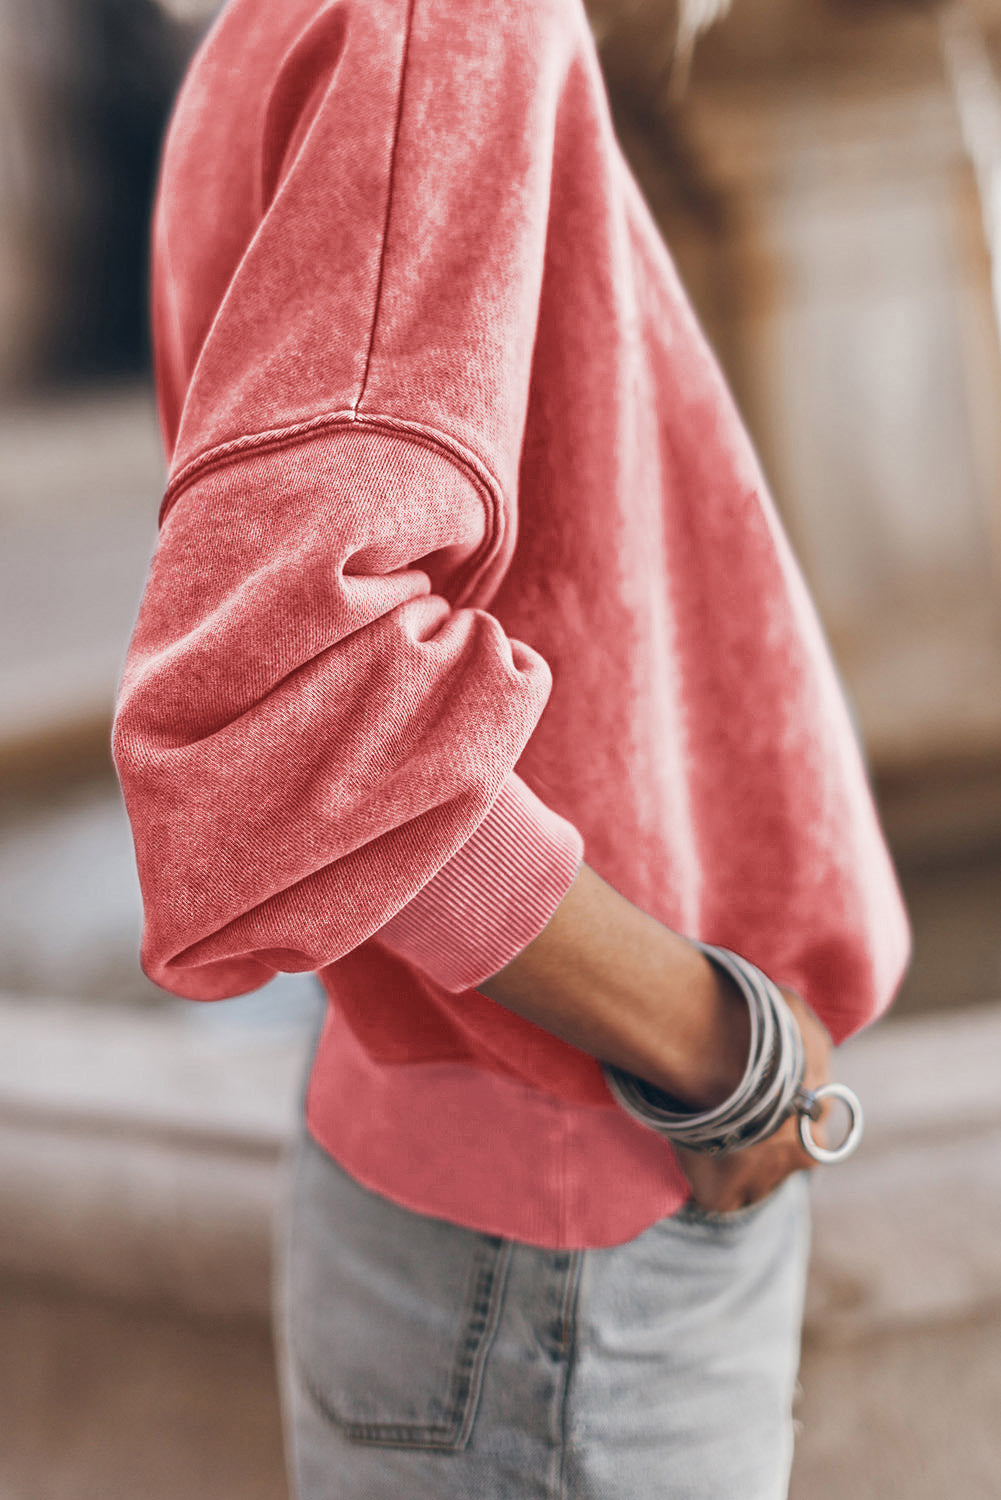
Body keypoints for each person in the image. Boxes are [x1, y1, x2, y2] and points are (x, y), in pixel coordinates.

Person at [112, 0, 912, 1495]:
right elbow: (291, 690)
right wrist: (714, 1048)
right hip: (579, 1209)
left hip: (502, 1211)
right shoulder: (446, 17)